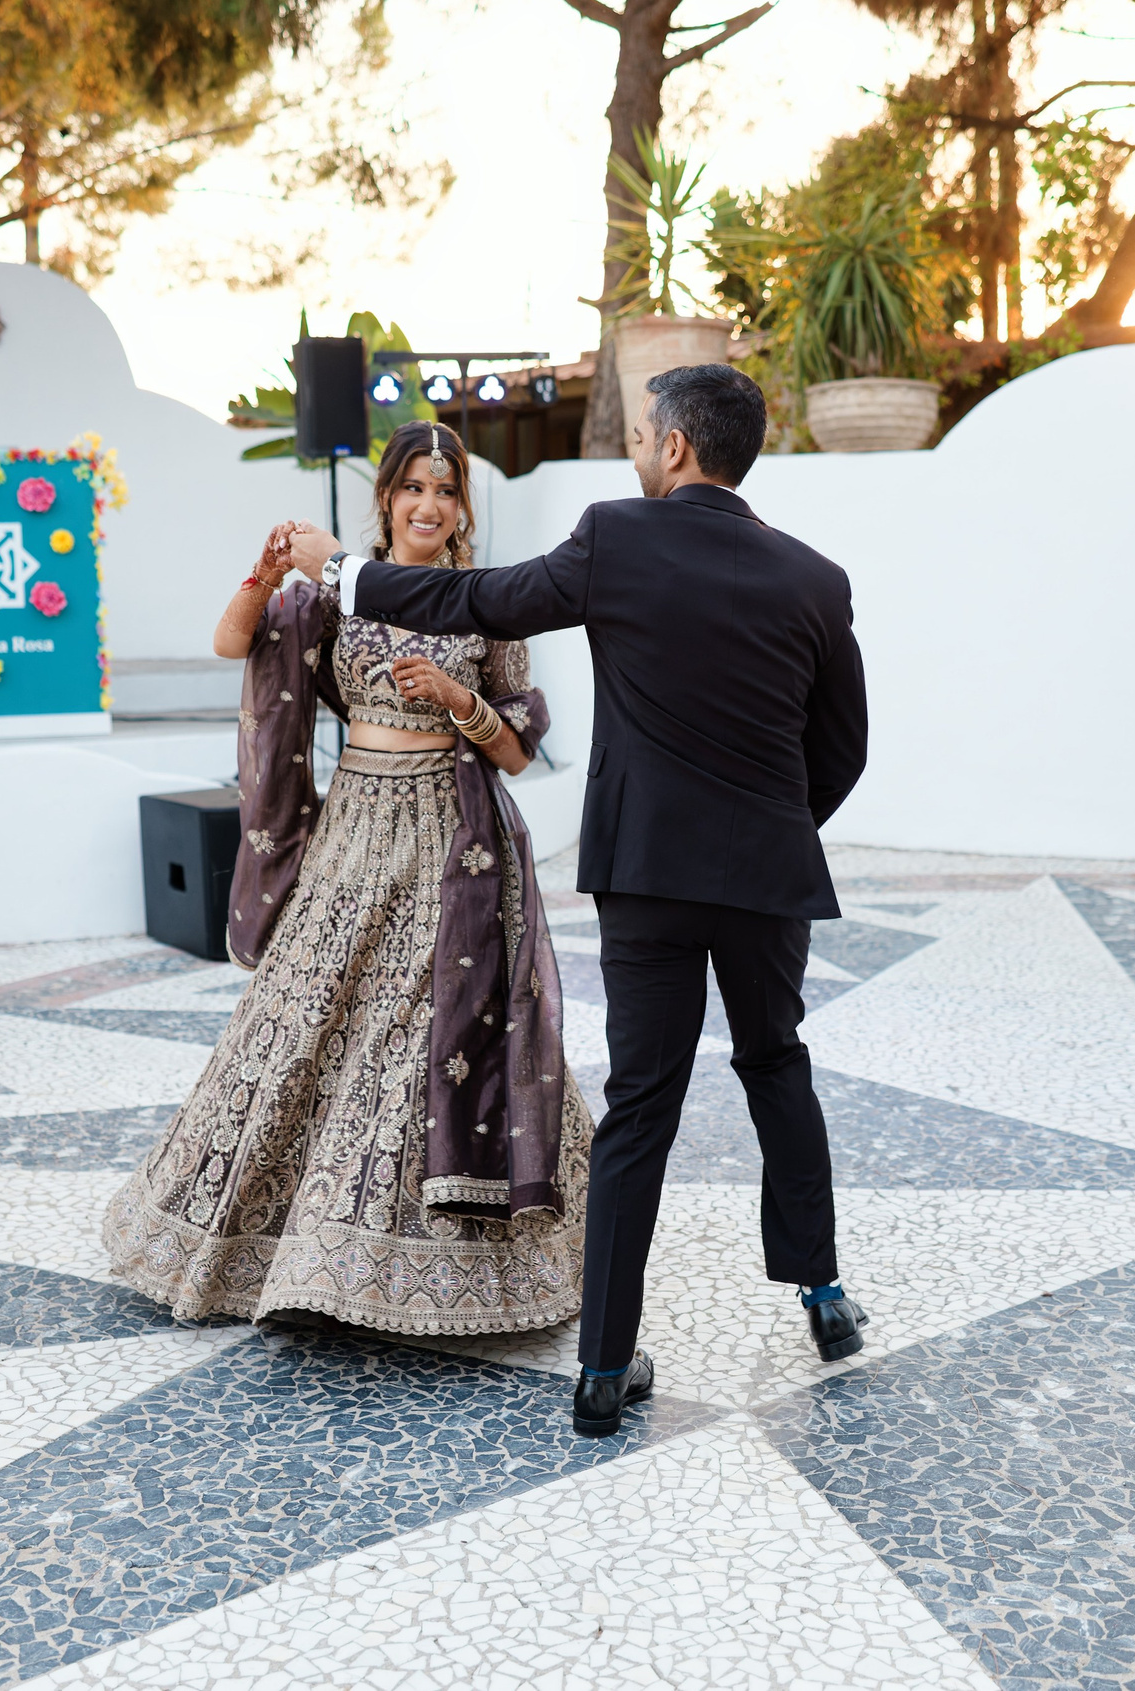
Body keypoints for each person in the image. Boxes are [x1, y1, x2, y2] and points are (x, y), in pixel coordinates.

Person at [282, 365, 870, 1437]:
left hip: (646, 874)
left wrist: (349, 576)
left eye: (645, 431)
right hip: (767, 881)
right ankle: (823, 1297)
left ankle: (602, 1368)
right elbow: (842, 751)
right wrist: (775, 832)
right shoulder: (815, 579)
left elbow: (476, 598)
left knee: (641, 1105)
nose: (637, 447)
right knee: (775, 1065)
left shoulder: (617, 538)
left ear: (678, 448)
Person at [100, 421, 594, 1337]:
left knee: (424, 1034)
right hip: (353, 834)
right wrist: (264, 572)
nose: (429, 506)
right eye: (413, 488)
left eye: (447, 493)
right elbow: (230, 642)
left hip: (454, 844)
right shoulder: (340, 597)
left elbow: (521, 753)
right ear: (386, 500)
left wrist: (460, 701)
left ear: (462, 511)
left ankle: (422, 1263)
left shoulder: (487, 602)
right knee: (310, 1017)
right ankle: (289, 1247)